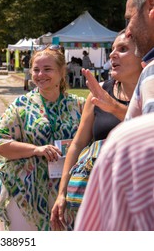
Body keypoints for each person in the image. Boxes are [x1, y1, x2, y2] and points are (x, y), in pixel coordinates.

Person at [50, 30, 142, 231]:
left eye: (123, 49)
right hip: (95, 196)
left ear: (143, 55)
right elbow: (78, 143)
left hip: (138, 198)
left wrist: (114, 107)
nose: (112, 55)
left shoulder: (149, 93)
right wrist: (62, 193)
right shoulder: (100, 91)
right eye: (112, 50)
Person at [0, 44, 85, 231]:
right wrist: (36, 149)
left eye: (47, 69)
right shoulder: (21, 105)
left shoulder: (79, 106)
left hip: (67, 190)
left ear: (61, 72)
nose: (41, 74)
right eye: (36, 70)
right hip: (27, 191)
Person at [82, 0, 154, 121]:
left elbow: (147, 139)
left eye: (129, 18)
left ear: (151, 6)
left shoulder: (151, 72)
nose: (128, 31)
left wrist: (113, 107)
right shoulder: (148, 72)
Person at [74, 112, 154, 230]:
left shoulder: (124, 138)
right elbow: (78, 143)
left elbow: (89, 226)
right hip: (105, 182)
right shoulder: (96, 98)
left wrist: (114, 107)